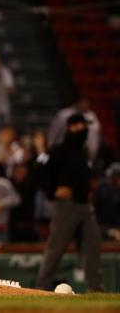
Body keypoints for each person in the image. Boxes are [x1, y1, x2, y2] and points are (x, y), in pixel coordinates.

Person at [34, 113, 102, 292]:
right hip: (67, 206)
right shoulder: (59, 149)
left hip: (84, 205)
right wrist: (53, 190)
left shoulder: (83, 150)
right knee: (56, 246)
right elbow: (40, 169)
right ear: (72, 127)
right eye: (82, 126)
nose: (85, 130)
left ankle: (94, 286)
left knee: (93, 243)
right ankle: (42, 284)